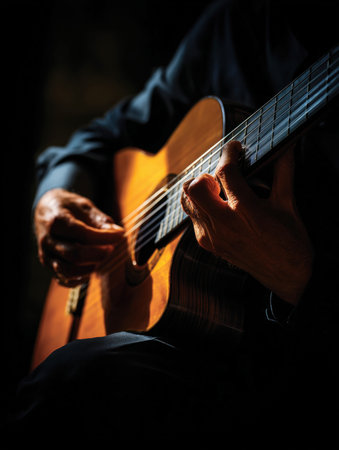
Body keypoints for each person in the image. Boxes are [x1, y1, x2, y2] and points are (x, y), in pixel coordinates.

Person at [7, 0, 338, 446]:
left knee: (72, 381)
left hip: (290, 378)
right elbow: (105, 134)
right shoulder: (235, 24)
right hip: (189, 352)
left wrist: (299, 279)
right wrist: (53, 195)